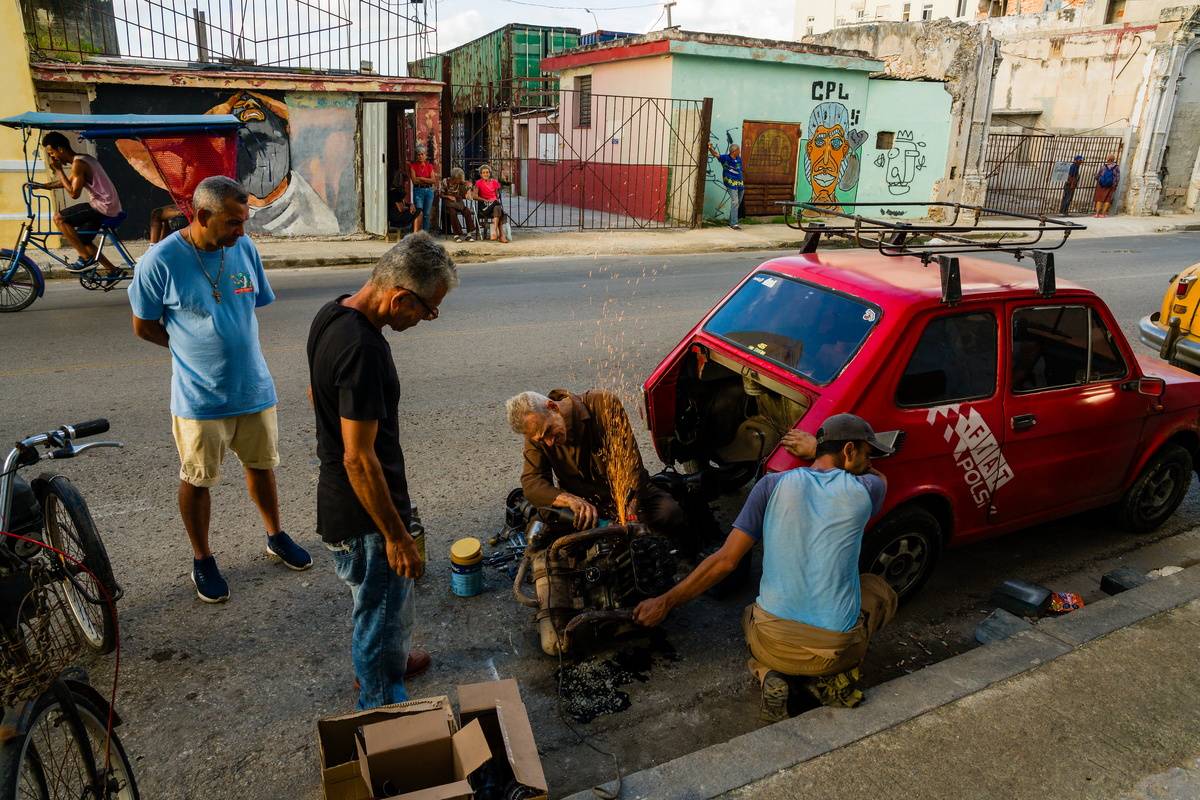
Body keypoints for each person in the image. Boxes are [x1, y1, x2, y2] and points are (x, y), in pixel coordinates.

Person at [634, 413, 899, 722]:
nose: (870, 464)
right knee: (878, 591)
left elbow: (724, 562)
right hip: (834, 651)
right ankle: (830, 675)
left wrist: (665, 601)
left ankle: (768, 673)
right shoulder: (867, 490)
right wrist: (820, 450)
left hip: (772, 644)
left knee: (751, 613)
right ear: (850, 451)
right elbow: (881, 478)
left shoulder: (771, 486)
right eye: (867, 455)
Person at [129, 176, 311, 604]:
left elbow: (249, 305)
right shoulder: (159, 262)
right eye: (232, 223)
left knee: (262, 466)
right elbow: (143, 326)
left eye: (244, 221)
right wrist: (187, 352)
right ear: (203, 215)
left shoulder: (243, 249)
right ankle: (203, 558)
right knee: (197, 479)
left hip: (253, 387)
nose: (241, 231)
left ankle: (275, 535)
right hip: (199, 398)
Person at [306, 232, 458, 709]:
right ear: (399, 298)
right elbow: (358, 458)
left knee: (380, 609)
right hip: (365, 520)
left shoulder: (333, 313)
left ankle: (387, 657)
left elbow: (318, 394)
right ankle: (380, 705)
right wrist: (396, 536)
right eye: (428, 309)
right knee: (379, 611)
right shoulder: (365, 350)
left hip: (342, 503)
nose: (429, 319)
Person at [505, 390, 686, 539]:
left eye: (549, 432)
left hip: (629, 498)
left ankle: (684, 559)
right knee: (539, 532)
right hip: (586, 509)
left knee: (669, 513)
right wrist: (571, 500)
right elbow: (532, 484)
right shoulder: (537, 433)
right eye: (542, 439)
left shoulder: (603, 404)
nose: (549, 442)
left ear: (553, 407)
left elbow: (630, 467)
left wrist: (629, 517)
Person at [34, 132, 123, 277]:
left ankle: (85, 258)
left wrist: (59, 170)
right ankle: (113, 270)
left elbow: (73, 193)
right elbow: (68, 182)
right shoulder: (83, 158)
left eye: (52, 153)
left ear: (61, 149)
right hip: (108, 205)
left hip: (102, 206)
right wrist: (42, 186)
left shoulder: (78, 164)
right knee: (82, 240)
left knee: (59, 218)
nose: (52, 157)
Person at [709, 142, 744, 230]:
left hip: (739, 183)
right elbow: (716, 154)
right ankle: (734, 223)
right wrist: (710, 148)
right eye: (738, 150)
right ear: (734, 151)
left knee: (737, 202)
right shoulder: (725, 158)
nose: (739, 151)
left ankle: (731, 221)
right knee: (735, 202)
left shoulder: (739, 158)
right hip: (730, 182)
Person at [473, 164, 508, 243]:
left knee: (497, 207)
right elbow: (474, 196)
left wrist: (495, 198)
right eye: (484, 172)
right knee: (497, 204)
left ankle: (495, 232)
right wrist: (485, 199)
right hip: (484, 206)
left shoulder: (494, 182)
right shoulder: (478, 183)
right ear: (481, 174)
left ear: (490, 173)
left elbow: (497, 195)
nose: (486, 174)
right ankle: (500, 235)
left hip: (494, 207)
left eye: (487, 172)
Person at [441, 167, 477, 242]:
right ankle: (456, 234)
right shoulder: (445, 181)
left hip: (459, 203)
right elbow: (440, 194)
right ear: (454, 177)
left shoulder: (461, 183)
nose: (460, 180)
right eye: (458, 178)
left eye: (460, 179)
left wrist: (469, 187)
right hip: (449, 203)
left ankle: (469, 234)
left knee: (467, 211)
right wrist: (448, 196)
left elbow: (466, 194)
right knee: (452, 213)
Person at [408, 145, 438, 234]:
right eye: (418, 154)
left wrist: (421, 178)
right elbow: (414, 181)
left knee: (427, 214)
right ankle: (416, 232)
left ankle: (425, 234)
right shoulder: (413, 166)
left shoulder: (429, 166)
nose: (420, 156)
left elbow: (433, 180)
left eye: (422, 154)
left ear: (425, 155)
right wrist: (426, 180)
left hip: (429, 191)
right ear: (416, 156)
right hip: (418, 191)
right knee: (418, 212)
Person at [388, 170, 422, 235]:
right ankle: (415, 235)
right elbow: (401, 209)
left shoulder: (394, 190)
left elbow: (404, 203)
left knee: (417, 210)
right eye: (405, 181)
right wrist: (409, 208)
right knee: (419, 212)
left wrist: (411, 205)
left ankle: (415, 234)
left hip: (394, 215)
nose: (406, 183)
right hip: (396, 217)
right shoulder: (396, 192)